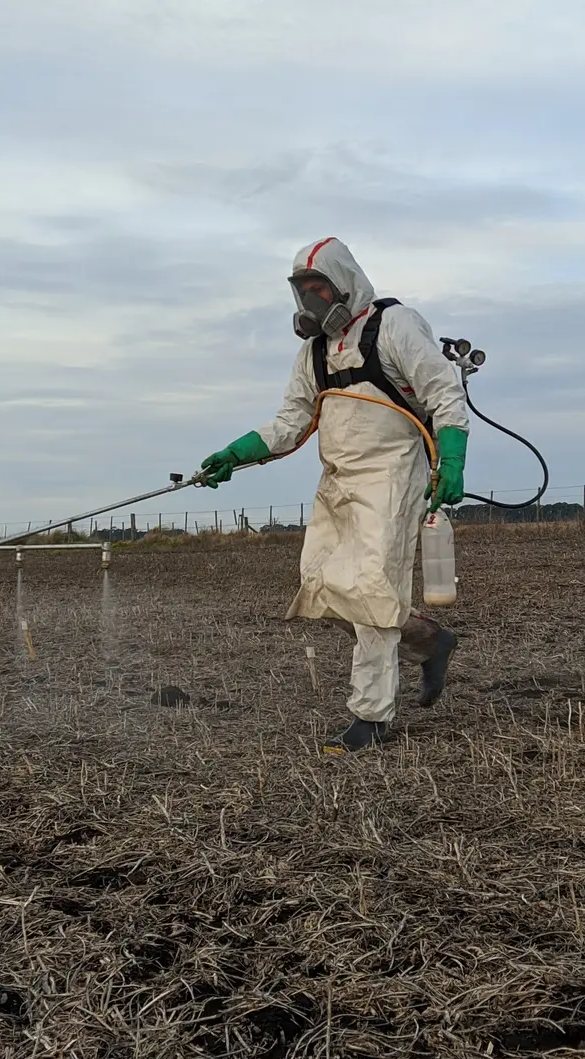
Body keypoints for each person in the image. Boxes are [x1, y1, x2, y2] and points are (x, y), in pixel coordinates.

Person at [199, 237, 469, 753]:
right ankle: (431, 642)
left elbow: (443, 391)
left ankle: (371, 717)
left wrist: (451, 459)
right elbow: (292, 420)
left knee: (369, 591)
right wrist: (237, 453)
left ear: (343, 281)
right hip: (337, 480)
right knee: (324, 585)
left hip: (392, 476)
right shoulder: (314, 351)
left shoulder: (395, 325)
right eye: (301, 290)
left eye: (317, 286)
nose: (310, 300)